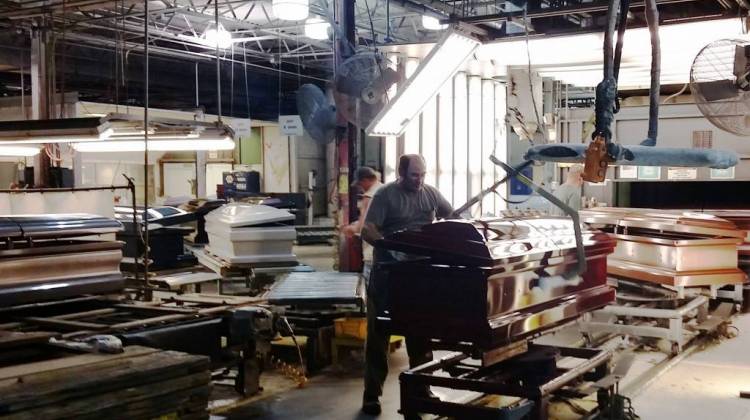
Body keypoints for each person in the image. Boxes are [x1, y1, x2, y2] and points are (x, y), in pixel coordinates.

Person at [360, 154, 454, 415]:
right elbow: (367, 230)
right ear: (401, 174)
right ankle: (372, 395)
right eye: (414, 175)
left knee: (421, 334)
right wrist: (392, 248)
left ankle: (421, 388)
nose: (419, 180)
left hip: (419, 275)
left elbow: (453, 216)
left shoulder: (431, 194)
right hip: (388, 274)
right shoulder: (385, 195)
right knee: (379, 335)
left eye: (423, 174)